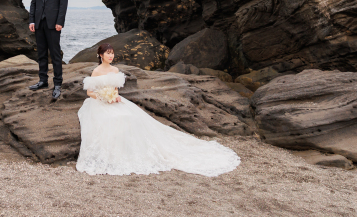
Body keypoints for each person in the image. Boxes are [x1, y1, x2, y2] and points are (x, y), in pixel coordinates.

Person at [76, 43, 241, 176]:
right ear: (101, 55)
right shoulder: (96, 71)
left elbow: (115, 88)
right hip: (99, 103)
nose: (111, 56)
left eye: (112, 53)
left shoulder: (115, 70)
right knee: (112, 120)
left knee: (131, 117)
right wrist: (104, 98)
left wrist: (115, 96)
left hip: (115, 100)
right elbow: (90, 92)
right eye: (108, 53)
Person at [27, 0, 68, 99]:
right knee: (42, 53)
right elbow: (34, 3)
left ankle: (57, 83)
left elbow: (63, 5)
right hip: (39, 23)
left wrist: (60, 22)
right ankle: (43, 80)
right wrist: (32, 21)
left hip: (53, 24)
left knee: (55, 54)